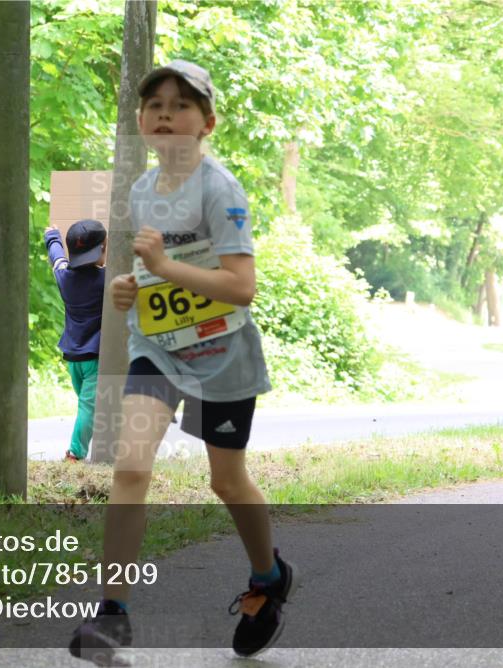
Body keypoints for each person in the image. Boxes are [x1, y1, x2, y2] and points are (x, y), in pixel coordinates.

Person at [69, 61, 293, 664]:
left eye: (182, 105)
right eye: (155, 105)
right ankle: (112, 614)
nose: (166, 114)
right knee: (131, 467)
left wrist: (166, 269)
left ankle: (268, 577)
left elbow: (241, 286)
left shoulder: (221, 191)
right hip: (159, 349)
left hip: (223, 353)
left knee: (226, 480)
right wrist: (128, 287)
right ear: (141, 121)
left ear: (207, 123)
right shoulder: (142, 190)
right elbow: (149, 271)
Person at [44, 219, 107, 462]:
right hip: (95, 357)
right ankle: (75, 454)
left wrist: (52, 237)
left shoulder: (64, 277)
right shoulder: (106, 280)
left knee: (86, 405)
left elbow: (57, 258)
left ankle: (94, 444)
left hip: (73, 358)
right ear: (102, 248)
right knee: (88, 408)